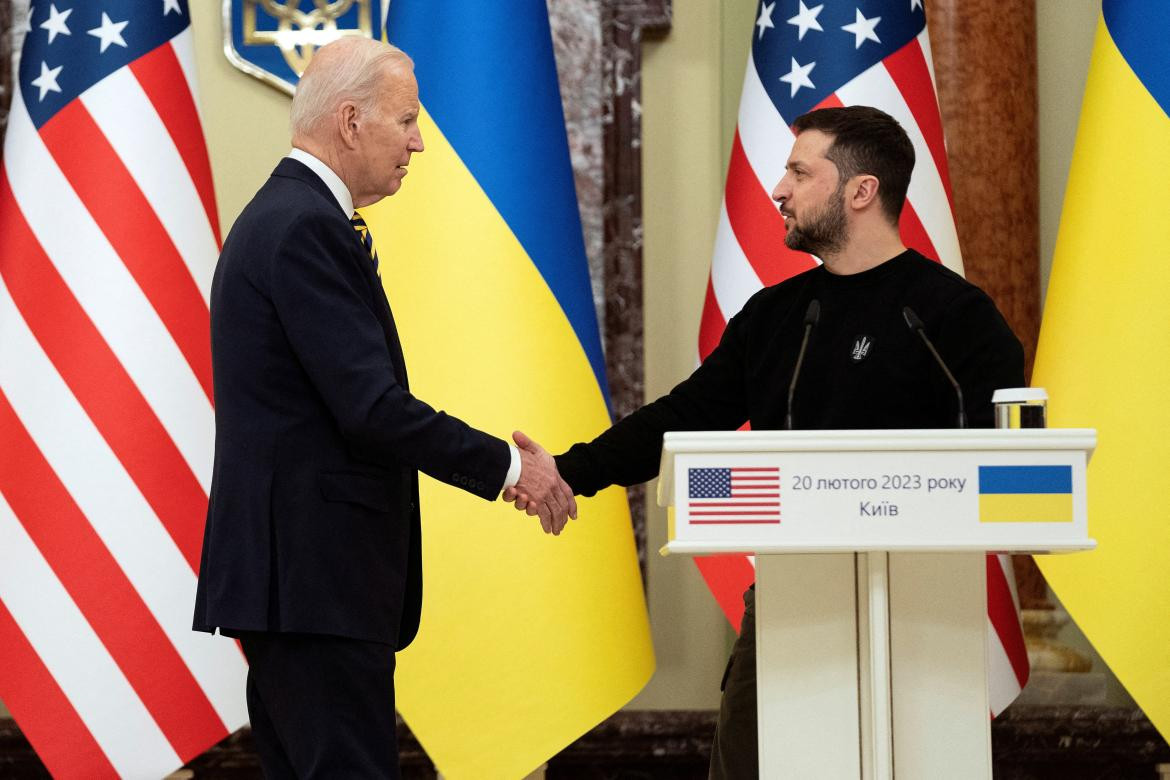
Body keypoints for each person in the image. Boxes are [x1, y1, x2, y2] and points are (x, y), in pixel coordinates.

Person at [507, 105, 1024, 778]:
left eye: (799, 172)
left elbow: (1012, 460)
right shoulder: (779, 317)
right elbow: (686, 415)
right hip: (788, 597)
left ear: (861, 191)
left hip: (928, 610)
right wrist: (569, 471)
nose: (778, 189)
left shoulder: (956, 318)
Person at [192, 37, 575, 778]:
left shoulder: (289, 215)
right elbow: (370, 409)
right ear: (351, 120)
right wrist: (508, 466)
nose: (419, 143)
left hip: (301, 586)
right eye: (405, 121)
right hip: (313, 584)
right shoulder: (304, 227)